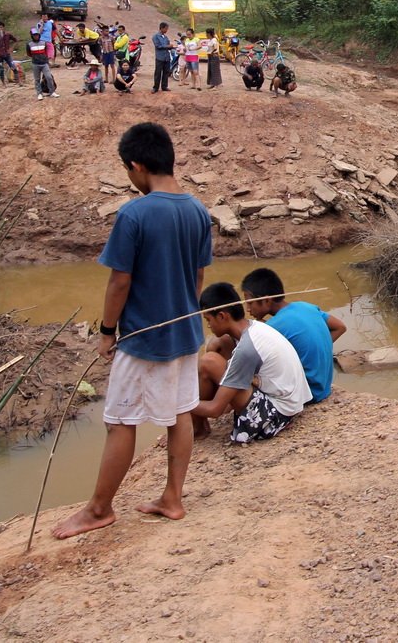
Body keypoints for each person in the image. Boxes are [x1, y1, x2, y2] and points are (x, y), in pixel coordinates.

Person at [52, 122, 212, 539]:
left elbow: (119, 282)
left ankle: (99, 509)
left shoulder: (134, 213)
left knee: (120, 422)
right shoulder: (198, 210)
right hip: (185, 334)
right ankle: (172, 498)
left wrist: (107, 331)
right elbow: (197, 278)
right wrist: (188, 315)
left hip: (145, 338)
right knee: (178, 416)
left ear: (137, 166)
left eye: (128, 170)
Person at [190, 282, 311, 442]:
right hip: (291, 402)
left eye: (208, 320)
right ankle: (199, 423)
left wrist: (180, 405)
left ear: (222, 316)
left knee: (208, 362)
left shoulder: (247, 348)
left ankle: (197, 429)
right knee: (221, 346)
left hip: (276, 416)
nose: (209, 326)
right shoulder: (255, 327)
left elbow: (215, 410)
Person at [242, 268, 344, 404]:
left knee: (245, 373)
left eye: (250, 303)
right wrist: (319, 347)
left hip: (307, 393)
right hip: (324, 387)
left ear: (266, 301)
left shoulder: (273, 327)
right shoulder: (305, 306)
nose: (248, 309)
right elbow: (340, 327)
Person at [27, 31, 59, 100]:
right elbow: (29, 54)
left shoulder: (44, 43)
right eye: (34, 35)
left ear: (39, 35)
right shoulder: (29, 44)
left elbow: (46, 52)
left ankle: (52, 92)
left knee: (49, 77)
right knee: (37, 79)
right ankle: (39, 93)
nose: (36, 36)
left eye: (37, 35)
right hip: (35, 63)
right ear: (32, 36)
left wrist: (46, 59)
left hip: (44, 63)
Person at [151, 21, 174, 93]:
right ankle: (155, 87)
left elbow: (168, 45)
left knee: (166, 72)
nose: (167, 30)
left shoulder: (166, 37)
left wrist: (171, 47)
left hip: (166, 57)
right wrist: (168, 46)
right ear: (161, 28)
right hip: (160, 57)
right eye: (166, 29)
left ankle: (164, 86)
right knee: (158, 73)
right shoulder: (155, 36)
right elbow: (158, 46)